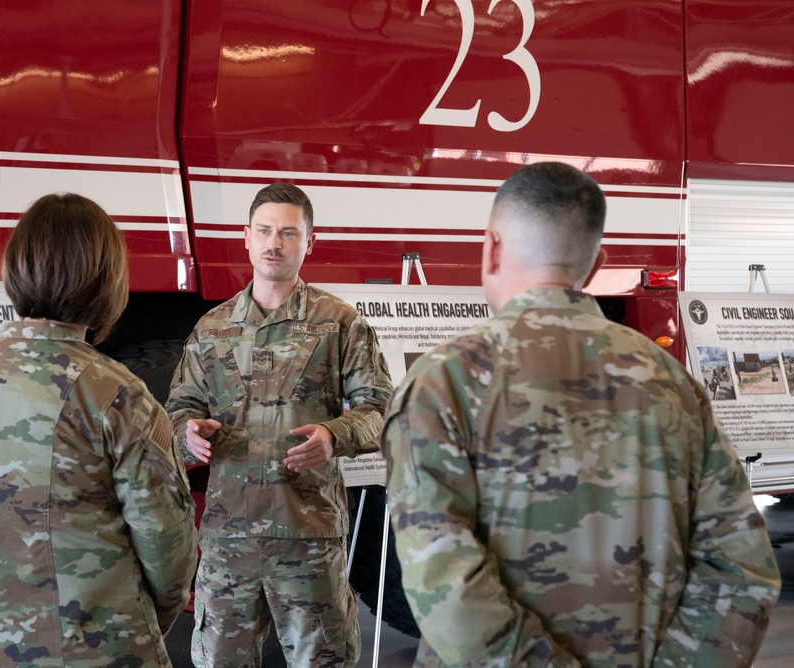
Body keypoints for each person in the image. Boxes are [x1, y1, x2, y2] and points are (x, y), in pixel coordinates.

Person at [381, 162, 781, 667]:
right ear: (596, 265)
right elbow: (741, 569)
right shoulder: (674, 386)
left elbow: (443, 582)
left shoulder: (441, 384)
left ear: (491, 248)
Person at [0, 193, 198, 667]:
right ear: (105, 279)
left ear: (16, 267)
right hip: (96, 652)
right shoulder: (116, 393)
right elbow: (170, 551)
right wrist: (131, 626)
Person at [166, 181, 393, 667]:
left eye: (288, 233)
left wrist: (335, 435)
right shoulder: (212, 328)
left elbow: (380, 408)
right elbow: (176, 410)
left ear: (309, 242)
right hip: (229, 543)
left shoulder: (340, 323)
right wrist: (187, 433)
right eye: (265, 231)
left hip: (308, 538)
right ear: (245, 236)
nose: (274, 243)